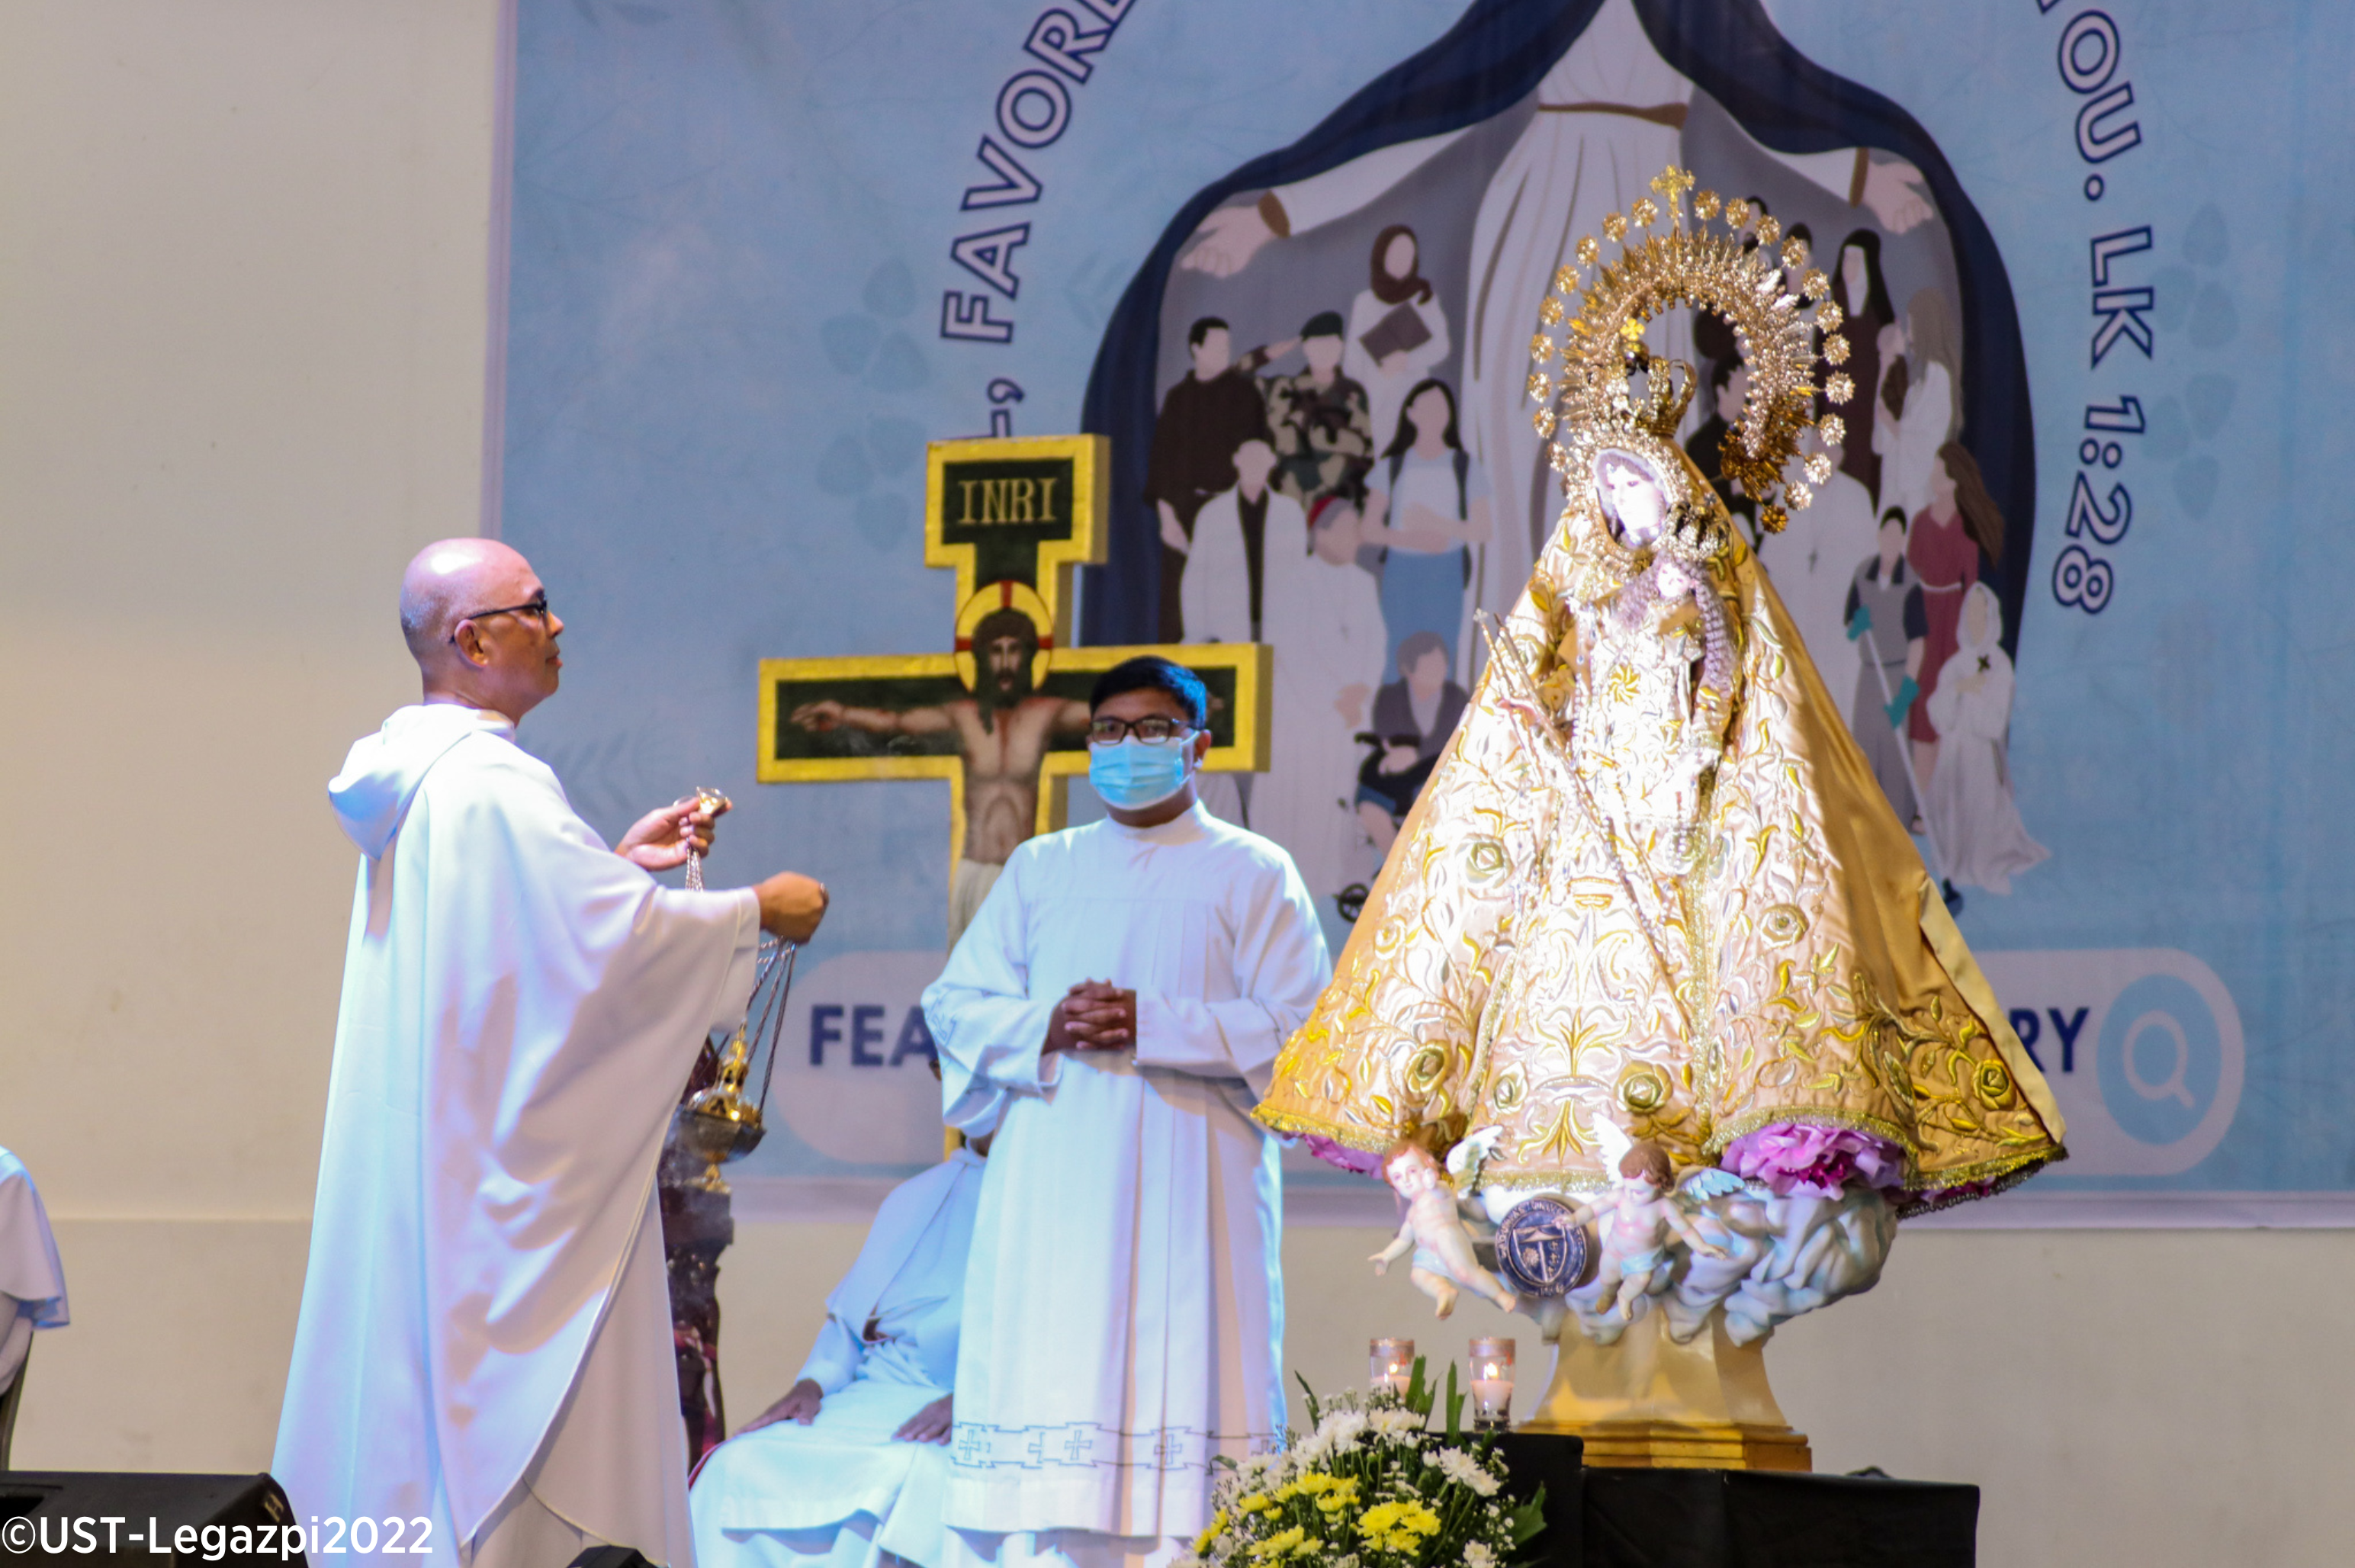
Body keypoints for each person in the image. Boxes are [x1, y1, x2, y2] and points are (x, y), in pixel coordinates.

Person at [1254, 204, 2060, 1352]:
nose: (1619, 504)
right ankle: (1546, 1164)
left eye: (1636, 484)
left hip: (1681, 816)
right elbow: (1530, 704)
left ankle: (1679, 1166)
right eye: (1606, 486)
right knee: (1557, 996)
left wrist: (1686, 709)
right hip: (1584, 842)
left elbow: (1741, 697)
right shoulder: (1579, 585)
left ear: (1671, 482)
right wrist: (1540, 713)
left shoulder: (1703, 584)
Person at [275, 538, 830, 1568]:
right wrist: (760, 913)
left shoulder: (422, 775)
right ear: (474, 640)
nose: (558, 624)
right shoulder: (492, 784)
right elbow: (607, 956)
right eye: (537, 607)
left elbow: (509, 972)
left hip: (438, 1168)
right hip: (500, 1211)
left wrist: (614, 868)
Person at [1178, 0, 1942, 682]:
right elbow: (1426, 111)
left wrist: (1859, 174)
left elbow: (1765, 95)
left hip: (1644, 214)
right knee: (1521, 471)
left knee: (1635, 475)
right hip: (1534, 224)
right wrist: (1274, 214)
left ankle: (1630, 700)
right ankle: (1516, 717)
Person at [920, 657, 1330, 1568]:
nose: (1126, 748)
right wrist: (1049, 1022)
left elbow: (1305, 1035)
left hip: (1197, 1185)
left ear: (1198, 747)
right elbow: (954, 1004)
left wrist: (1156, 1022)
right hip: (1056, 1191)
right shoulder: (1040, 867)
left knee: (1185, 1461)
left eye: (1150, 731)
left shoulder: (1253, 872)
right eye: (1108, 731)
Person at [691, 1102, 994, 1568]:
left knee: (900, 1479)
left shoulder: (1058, 1199)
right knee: (735, 1464)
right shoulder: (916, 1195)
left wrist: (977, 1400)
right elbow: (850, 1327)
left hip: (957, 1405)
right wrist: (811, 1385)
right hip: (865, 1397)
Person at [789, 609, 1091, 945]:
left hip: (1024, 875)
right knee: (971, 984)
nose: (1005, 661)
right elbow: (897, 722)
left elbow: (1103, 717)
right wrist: (843, 714)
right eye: (996, 650)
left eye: (1015, 649)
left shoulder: (1046, 715)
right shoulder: (963, 717)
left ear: (1030, 655)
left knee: (1031, 982)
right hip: (976, 869)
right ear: (980, 658)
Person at [1250, 493, 1388, 922]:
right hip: (1305, 716)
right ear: (1320, 532)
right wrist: (1333, 701)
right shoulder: (1295, 581)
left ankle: (1334, 887)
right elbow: (1291, 651)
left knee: (1341, 799)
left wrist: (1362, 690)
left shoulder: (1362, 583)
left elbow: (1376, 642)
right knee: (1304, 803)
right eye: (1347, 529)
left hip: (1351, 714)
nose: (1356, 538)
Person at [1142, 319, 1289, 639]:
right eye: (1217, 345)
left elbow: (1260, 455)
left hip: (1231, 512)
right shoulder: (1177, 399)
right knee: (1182, 611)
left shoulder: (1245, 394)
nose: (1225, 352)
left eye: (1227, 346)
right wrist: (1167, 520)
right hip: (1184, 514)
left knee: (1234, 606)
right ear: (1196, 349)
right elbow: (1161, 464)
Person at [1363, 378, 1491, 681]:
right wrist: (1409, 538)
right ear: (1411, 413)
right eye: (1427, 408)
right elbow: (1368, 528)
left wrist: (1439, 527)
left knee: (1443, 647)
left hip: (1446, 572)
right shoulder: (1392, 467)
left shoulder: (1464, 467)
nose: (1435, 416)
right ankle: (1394, 714)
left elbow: (1483, 529)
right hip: (1401, 572)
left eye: (1441, 409)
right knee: (1398, 646)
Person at [1924, 583, 2048, 894]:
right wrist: (1960, 689)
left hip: (1980, 756)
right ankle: (1953, 860)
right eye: (1971, 614)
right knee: (1950, 806)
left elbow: (1994, 723)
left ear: (1991, 617)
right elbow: (1939, 714)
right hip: (1954, 755)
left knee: (1980, 809)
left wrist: (1974, 698)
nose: (1975, 620)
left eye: (1982, 613)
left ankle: (1980, 863)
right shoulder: (1955, 664)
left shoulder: (2001, 664)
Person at [1907, 442, 2005, 786]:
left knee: (1947, 695)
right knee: (1920, 702)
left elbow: (1972, 584)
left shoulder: (1965, 527)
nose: (1935, 477)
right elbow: (1909, 574)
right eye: (1935, 469)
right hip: (1924, 617)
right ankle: (1919, 798)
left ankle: (1942, 796)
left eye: (1942, 471)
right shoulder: (1919, 522)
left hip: (1953, 619)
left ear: (1954, 481)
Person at [1844, 508, 1928, 826]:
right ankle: (1864, 817)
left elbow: (1918, 642)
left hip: (1896, 674)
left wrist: (1906, 692)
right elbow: (1851, 628)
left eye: (1898, 535)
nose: (1891, 540)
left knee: (1894, 754)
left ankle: (1895, 823)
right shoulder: (1863, 574)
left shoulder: (1910, 584)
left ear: (1903, 540)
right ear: (1879, 536)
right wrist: (1857, 625)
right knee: (1866, 744)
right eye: (1887, 533)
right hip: (1869, 675)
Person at [1170, 436, 1297, 644]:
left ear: (1272, 462)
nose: (1254, 466)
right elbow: (1195, 579)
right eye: (1248, 459)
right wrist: (1198, 634)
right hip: (1225, 631)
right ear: (1236, 461)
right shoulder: (1212, 514)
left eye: (1260, 460)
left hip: (1280, 631)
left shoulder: (1291, 513)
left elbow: (1298, 575)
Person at [1354, 629, 1469, 861]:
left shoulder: (1456, 697)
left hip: (1440, 772)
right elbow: (1386, 733)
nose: (1438, 672)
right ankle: (1395, 864)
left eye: (1441, 665)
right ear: (1408, 669)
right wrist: (1396, 754)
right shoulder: (1390, 696)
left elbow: (1458, 739)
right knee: (1372, 788)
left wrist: (1417, 753)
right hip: (1398, 771)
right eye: (1429, 666)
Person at [1343, 226, 1452, 465]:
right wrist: (1366, 389)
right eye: (1396, 254)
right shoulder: (1365, 302)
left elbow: (1441, 346)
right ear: (1382, 256)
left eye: (1408, 255)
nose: (1402, 261)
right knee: (1384, 464)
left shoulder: (1423, 297)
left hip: (1415, 397)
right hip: (1378, 400)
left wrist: (1406, 360)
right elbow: (1353, 359)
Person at [1264, 310, 1376, 515]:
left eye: (1332, 344)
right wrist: (1266, 355)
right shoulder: (1287, 388)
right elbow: (1237, 379)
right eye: (1318, 345)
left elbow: (1366, 452)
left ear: (1341, 347)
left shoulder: (1353, 393)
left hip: (1340, 503)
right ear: (1306, 348)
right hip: (1292, 502)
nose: (1325, 351)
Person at [1876, 288, 1959, 522]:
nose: (1910, 335)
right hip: (1904, 483)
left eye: (1912, 328)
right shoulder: (1923, 377)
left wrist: (1892, 425)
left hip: (1919, 488)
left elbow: (1927, 439)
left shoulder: (1939, 376)